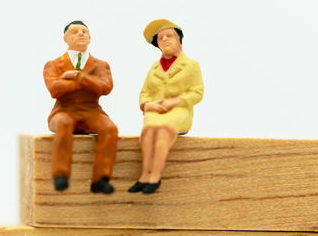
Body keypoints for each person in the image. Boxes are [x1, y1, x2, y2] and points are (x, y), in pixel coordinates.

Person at [129, 18, 204, 194]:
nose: (164, 40)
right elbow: (144, 92)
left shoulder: (191, 65)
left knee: (162, 132)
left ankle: (154, 177)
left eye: (169, 35)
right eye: (160, 38)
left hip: (178, 110)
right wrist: (147, 105)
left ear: (179, 39)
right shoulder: (154, 68)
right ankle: (144, 176)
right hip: (155, 110)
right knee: (147, 134)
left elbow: (197, 92)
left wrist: (176, 101)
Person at [43, 20, 118, 194]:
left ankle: (101, 178)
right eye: (75, 32)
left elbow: (105, 87)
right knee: (63, 123)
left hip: (92, 112)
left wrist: (78, 77)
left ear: (90, 37)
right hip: (63, 111)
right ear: (65, 38)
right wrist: (89, 83)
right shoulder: (53, 65)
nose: (81, 34)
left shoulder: (101, 65)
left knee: (109, 128)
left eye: (84, 31)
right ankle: (60, 175)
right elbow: (55, 89)